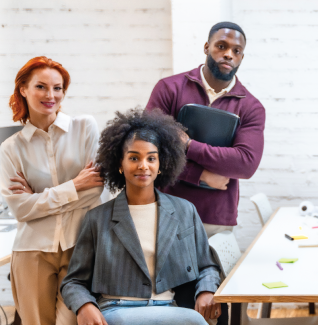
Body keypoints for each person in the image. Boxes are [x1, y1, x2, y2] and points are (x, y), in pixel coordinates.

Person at [61, 109, 222, 325]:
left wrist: (206, 290)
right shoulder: (97, 219)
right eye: (134, 158)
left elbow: (207, 265)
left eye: (151, 158)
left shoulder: (185, 211)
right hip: (115, 310)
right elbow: (73, 281)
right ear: (120, 164)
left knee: (195, 321)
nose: (143, 165)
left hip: (169, 309)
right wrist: (84, 305)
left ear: (161, 164)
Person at [0, 56, 106, 325]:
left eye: (58, 88)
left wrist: (38, 199)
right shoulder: (11, 148)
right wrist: (74, 186)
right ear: (23, 89)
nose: (51, 95)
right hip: (31, 251)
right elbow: (21, 210)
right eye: (41, 87)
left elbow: (95, 191)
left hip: (79, 246)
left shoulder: (84, 128)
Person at [145, 21, 265, 236]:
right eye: (221, 46)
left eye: (236, 51)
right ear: (206, 47)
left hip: (216, 218)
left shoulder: (251, 107)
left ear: (241, 58)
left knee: (213, 271)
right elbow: (149, 152)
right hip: (166, 210)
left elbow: (245, 163)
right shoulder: (169, 88)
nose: (228, 54)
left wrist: (188, 145)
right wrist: (201, 175)